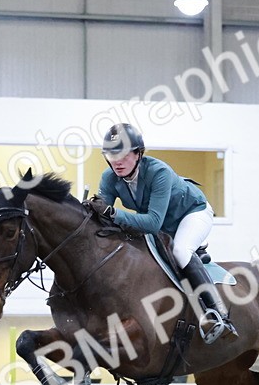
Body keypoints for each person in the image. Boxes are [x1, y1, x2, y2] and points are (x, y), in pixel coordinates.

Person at [90, 123, 236, 344]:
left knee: (181, 251)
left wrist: (112, 212)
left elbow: (152, 223)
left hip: (192, 213)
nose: (116, 161)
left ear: (138, 154)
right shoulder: (109, 178)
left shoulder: (159, 172)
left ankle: (218, 315)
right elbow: (104, 219)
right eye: (111, 155)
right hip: (162, 224)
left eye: (123, 155)